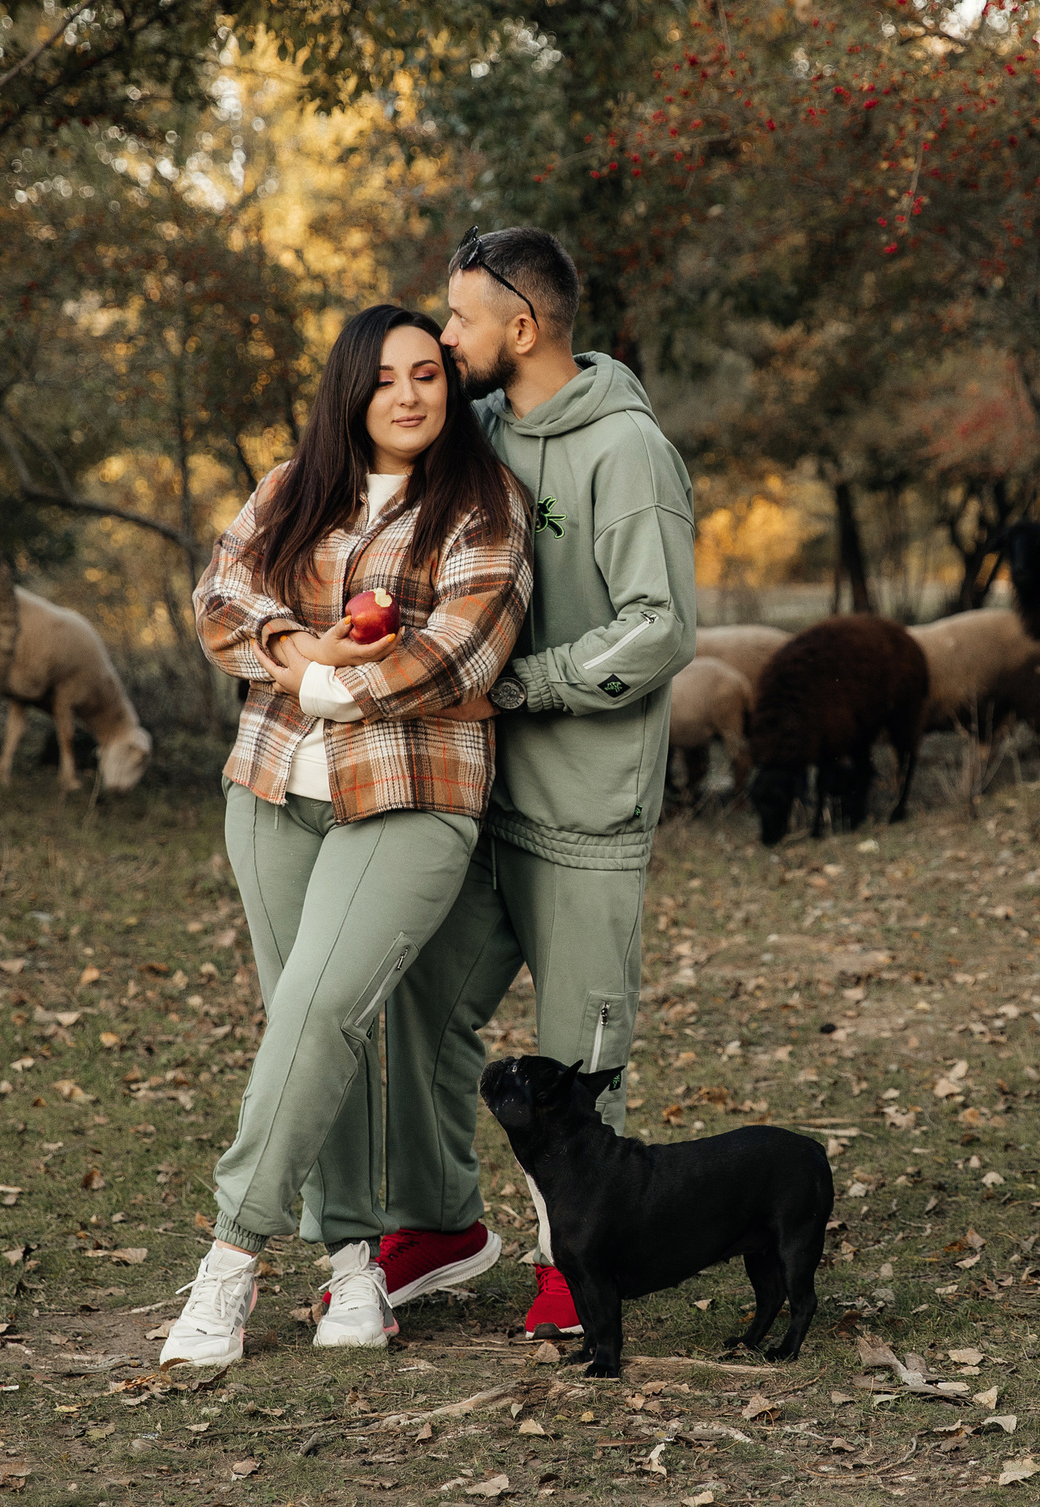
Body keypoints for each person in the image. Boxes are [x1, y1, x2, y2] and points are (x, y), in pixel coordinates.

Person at [164, 304, 533, 1368]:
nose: (411, 395)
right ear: (351, 391)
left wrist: (310, 678)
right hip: (272, 789)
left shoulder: (483, 505)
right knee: (314, 1026)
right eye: (385, 379)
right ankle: (355, 1267)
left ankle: (228, 1266)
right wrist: (286, 639)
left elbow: (460, 659)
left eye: (429, 373)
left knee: (322, 1004)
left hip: (416, 793)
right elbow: (220, 597)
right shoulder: (293, 486)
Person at [350, 227, 697, 1341]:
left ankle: (573, 1253)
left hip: (587, 811)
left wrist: (522, 682)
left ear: (524, 327)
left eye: (458, 321)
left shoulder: (628, 453)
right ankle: (441, 1221)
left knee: (578, 1055)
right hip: (477, 798)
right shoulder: (484, 428)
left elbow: (661, 630)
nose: (444, 340)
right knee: (422, 1008)